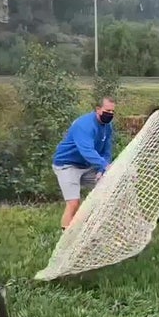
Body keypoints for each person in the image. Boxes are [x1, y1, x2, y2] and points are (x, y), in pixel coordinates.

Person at [52, 96, 115, 230]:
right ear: (98, 109)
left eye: (112, 112)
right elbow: (87, 151)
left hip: (87, 166)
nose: (110, 114)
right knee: (73, 203)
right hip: (67, 165)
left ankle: (97, 227)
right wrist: (104, 165)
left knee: (111, 186)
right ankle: (65, 237)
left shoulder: (108, 126)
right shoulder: (84, 125)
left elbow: (107, 151)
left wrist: (102, 170)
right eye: (107, 111)